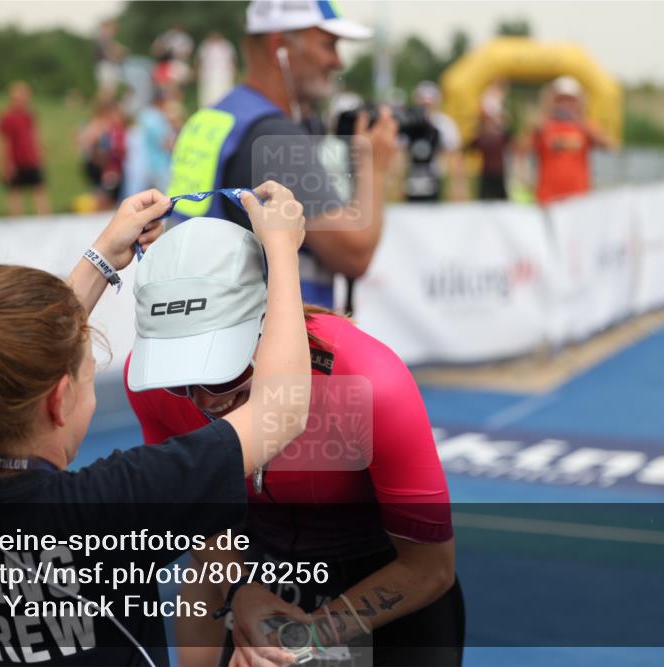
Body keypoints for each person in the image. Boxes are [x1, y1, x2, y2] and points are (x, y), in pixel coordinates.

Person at [0, 182, 312, 667]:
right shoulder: (107, 507)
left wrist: (102, 258)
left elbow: (4, 358)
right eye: (89, 372)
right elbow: (282, 410)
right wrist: (282, 252)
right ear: (59, 402)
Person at [124, 220, 463, 666]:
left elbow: (430, 568)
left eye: (220, 368)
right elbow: (208, 536)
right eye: (180, 377)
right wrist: (241, 591)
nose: (205, 400)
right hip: (255, 577)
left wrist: (306, 637)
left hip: (388, 586)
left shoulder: (370, 382)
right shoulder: (149, 384)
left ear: (267, 326)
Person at [166, 0, 399, 310]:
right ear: (280, 47)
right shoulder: (275, 137)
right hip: (272, 340)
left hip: (206, 323)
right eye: (329, 45)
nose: (338, 61)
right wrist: (375, 165)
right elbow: (354, 255)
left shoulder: (213, 117)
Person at [530, 75, 612, 205]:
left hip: (578, 199)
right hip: (548, 199)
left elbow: (608, 145)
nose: (566, 104)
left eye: (570, 100)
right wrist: (542, 116)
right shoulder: (543, 126)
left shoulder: (585, 126)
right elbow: (521, 149)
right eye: (561, 100)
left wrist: (582, 119)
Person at [0, 81, 51, 216]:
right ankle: (15, 224)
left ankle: (45, 221)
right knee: (15, 193)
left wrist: (40, 153)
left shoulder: (29, 115)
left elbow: (34, 136)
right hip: (16, 161)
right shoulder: (7, 117)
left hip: (31, 160)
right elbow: (3, 142)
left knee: (39, 190)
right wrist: (6, 163)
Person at [409, 80, 467, 202]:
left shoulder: (444, 124)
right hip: (411, 175)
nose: (426, 106)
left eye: (429, 103)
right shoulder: (409, 123)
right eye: (423, 103)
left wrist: (457, 186)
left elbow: (454, 155)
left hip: (435, 177)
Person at [468, 86, 512, 201]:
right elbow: (470, 147)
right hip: (486, 174)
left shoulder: (503, 135)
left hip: (501, 173)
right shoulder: (481, 136)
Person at [197, 32, 237, 107]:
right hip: (208, 74)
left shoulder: (226, 45)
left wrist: (233, 71)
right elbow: (200, 60)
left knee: (224, 92)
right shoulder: (205, 45)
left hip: (224, 74)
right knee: (208, 94)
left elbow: (232, 59)